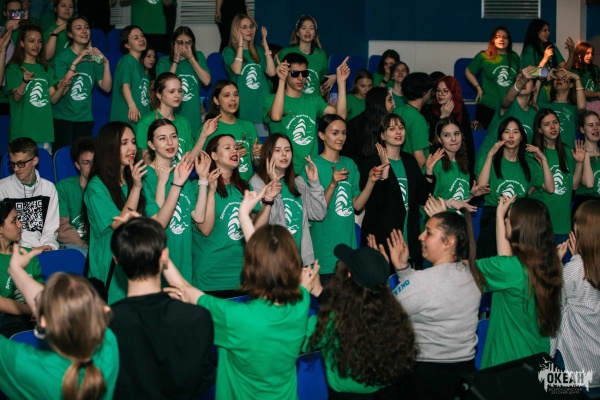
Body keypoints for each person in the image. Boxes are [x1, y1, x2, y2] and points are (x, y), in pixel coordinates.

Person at [162, 188, 314, 400]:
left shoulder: (235, 317)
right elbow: (264, 260)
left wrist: (159, 252)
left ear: (250, 269)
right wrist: (243, 216)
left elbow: (184, 289)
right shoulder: (301, 302)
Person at [369, 206, 485, 399]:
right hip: (463, 373)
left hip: (426, 378)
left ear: (448, 242)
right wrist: (403, 270)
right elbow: (427, 295)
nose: (420, 237)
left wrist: (375, 272)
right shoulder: (471, 274)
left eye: (429, 233)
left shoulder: (424, 282)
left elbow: (383, 314)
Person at [84, 121, 193, 304]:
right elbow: (120, 224)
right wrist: (135, 188)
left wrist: (176, 184)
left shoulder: (134, 178)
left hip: (138, 276)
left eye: (133, 142)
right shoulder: (97, 186)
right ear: (109, 147)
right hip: (111, 279)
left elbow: (158, 224)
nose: (132, 148)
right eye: (124, 143)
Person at [109, 217, 215, 399]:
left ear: (116, 260)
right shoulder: (196, 317)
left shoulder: (106, 323)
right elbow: (203, 381)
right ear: (164, 256)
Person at [0, 252, 118, 399]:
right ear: (102, 310)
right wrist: (16, 271)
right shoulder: (108, 344)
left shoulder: (24, 364)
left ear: (43, 321)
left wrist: (15, 270)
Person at [306, 243, 417, 399]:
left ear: (348, 276)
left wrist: (300, 293)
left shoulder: (333, 320)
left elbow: (294, 338)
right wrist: (319, 292)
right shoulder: (394, 315)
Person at [477, 196, 562, 368]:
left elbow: (461, 268)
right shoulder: (550, 264)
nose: (506, 220)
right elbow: (505, 262)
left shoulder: (510, 269)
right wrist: (499, 216)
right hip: (537, 361)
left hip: (507, 366)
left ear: (519, 227)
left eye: (509, 218)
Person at [191, 134, 273, 295]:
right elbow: (205, 229)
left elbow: (256, 231)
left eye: (235, 148)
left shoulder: (244, 187)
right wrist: (211, 191)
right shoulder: (199, 186)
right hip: (210, 276)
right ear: (214, 155)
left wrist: (268, 200)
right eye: (227, 148)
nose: (234, 151)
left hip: (243, 275)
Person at [304, 114, 382, 283]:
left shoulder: (350, 164)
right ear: (322, 135)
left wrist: (371, 182)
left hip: (348, 251)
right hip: (323, 252)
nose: (341, 137)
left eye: (344, 133)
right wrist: (333, 184)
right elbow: (316, 212)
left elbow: (357, 205)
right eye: (335, 133)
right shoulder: (312, 167)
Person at [142, 119, 217, 282]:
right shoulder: (144, 176)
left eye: (174, 136)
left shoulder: (182, 173)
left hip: (183, 266)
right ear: (151, 145)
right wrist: (162, 183)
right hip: (157, 268)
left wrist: (203, 179)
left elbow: (199, 217)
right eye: (162, 138)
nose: (170, 143)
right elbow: (157, 224)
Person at [360, 113, 436, 266]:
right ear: (382, 135)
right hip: (382, 240)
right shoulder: (371, 164)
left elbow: (422, 198)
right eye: (392, 129)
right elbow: (377, 203)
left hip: (409, 238)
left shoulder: (409, 160)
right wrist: (385, 174)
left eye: (401, 128)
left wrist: (428, 172)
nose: (398, 132)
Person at [475, 117, 554, 258]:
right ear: (500, 136)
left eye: (516, 132)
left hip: (518, 217)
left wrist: (544, 160)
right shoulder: (489, 159)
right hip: (492, 215)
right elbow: (481, 186)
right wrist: (490, 155)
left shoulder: (529, 164)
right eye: (506, 132)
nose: (511, 136)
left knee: (517, 262)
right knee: (488, 261)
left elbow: (550, 188)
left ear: (522, 137)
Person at [265, 52, 350, 173]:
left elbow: (340, 117)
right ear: (286, 72)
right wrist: (282, 80)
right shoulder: (271, 99)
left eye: (304, 73)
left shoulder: (313, 100)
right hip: (283, 169)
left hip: (309, 170)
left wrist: (341, 83)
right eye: (295, 73)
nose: (301, 78)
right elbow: (276, 116)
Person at [249, 133, 326, 266]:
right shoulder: (257, 183)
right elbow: (268, 224)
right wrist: (274, 187)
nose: (284, 154)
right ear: (268, 154)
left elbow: (319, 214)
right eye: (278, 150)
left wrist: (314, 183)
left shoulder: (298, 182)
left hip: (299, 261)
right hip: (273, 261)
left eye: (287, 150)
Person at [554, 201, 600, 394]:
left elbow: (555, 306)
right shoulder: (580, 265)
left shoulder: (574, 268)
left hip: (576, 363)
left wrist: (558, 264)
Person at [5, 23, 73, 149]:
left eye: (40, 41)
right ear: (22, 43)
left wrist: (63, 86)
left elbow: (53, 99)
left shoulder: (46, 68)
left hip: (44, 132)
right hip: (22, 133)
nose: (36, 45)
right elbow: (16, 98)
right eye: (31, 41)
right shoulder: (14, 68)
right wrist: (24, 82)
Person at [52, 15, 112, 150]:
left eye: (86, 27)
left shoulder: (94, 58)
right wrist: (75, 62)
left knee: (84, 158)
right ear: (70, 34)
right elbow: (62, 90)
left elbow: (107, 88)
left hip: (85, 118)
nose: (84, 31)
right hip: (63, 118)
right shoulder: (62, 57)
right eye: (78, 28)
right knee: (63, 156)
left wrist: (106, 63)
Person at [529, 108, 584, 242]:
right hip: (541, 225)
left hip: (563, 225)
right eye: (547, 124)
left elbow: (573, 185)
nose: (553, 127)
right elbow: (540, 189)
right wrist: (543, 161)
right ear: (539, 129)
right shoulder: (533, 154)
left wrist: (579, 163)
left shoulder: (566, 151)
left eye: (555, 122)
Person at [0, 137, 59, 251]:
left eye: (21, 163)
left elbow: (51, 230)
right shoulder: (2, 189)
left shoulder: (49, 188)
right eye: (13, 164)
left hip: (44, 249)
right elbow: (3, 235)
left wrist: (48, 246)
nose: (16, 169)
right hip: (14, 252)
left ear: (34, 161)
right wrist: (28, 250)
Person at [135, 72, 206, 165]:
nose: (177, 95)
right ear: (159, 94)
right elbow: (146, 160)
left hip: (181, 173)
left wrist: (204, 134)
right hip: (157, 173)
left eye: (180, 91)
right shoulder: (146, 122)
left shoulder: (184, 122)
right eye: (172, 91)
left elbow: (189, 159)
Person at [475, 66, 538, 163]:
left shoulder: (534, 114)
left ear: (534, 88)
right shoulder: (506, 103)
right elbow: (508, 99)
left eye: (527, 80)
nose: (523, 82)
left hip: (514, 164)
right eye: (519, 79)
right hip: (490, 159)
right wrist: (522, 81)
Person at [156, 26, 211, 136]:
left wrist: (191, 58)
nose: (184, 46)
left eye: (188, 42)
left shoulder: (199, 57)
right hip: (171, 117)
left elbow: (206, 81)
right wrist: (175, 62)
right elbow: (163, 86)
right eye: (180, 42)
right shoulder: (164, 61)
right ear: (174, 43)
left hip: (193, 116)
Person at [223, 13, 275, 128]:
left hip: (261, 108)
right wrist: (240, 46)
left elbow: (272, 72)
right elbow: (237, 70)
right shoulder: (229, 51)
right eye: (244, 27)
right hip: (243, 109)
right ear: (235, 31)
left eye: (251, 26)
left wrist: (265, 47)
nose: (249, 30)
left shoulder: (259, 50)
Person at [0, 199, 42, 338]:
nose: (20, 225)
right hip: (8, 317)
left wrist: (40, 308)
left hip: (34, 314)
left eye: (19, 219)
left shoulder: (27, 254)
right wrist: (31, 309)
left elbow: (40, 290)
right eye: (14, 221)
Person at [203, 80, 260, 182]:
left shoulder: (248, 126)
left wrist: (258, 155)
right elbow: (203, 164)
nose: (233, 99)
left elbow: (256, 163)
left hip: (247, 186)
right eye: (227, 95)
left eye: (236, 95)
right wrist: (232, 154)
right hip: (220, 186)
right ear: (216, 100)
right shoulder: (209, 127)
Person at [428, 118, 489, 212]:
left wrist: (471, 194)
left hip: (459, 220)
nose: (453, 139)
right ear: (439, 139)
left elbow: (459, 201)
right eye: (447, 135)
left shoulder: (463, 162)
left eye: (456, 134)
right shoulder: (435, 164)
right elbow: (424, 202)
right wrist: (450, 203)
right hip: (440, 220)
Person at [465, 26, 520, 129]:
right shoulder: (483, 56)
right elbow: (468, 71)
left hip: (510, 106)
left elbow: (520, 77)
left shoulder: (514, 57)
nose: (501, 39)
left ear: (509, 41)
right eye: (498, 37)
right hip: (487, 105)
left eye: (505, 37)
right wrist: (478, 87)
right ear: (492, 40)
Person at [422, 76, 475, 173]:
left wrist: (471, 173)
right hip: (437, 162)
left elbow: (468, 143)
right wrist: (442, 118)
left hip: (459, 160)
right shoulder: (428, 110)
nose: (440, 94)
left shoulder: (461, 110)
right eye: (438, 90)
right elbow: (432, 141)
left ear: (453, 93)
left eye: (445, 91)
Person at [276, 15, 333, 96]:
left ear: (315, 33)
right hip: (292, 100)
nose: (308, 31)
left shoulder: (321, 55)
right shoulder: (285, 53)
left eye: (311, 28)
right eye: (304, 28)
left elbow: (323, 79)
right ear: (297, 33)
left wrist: (335, 77)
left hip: (314, 101)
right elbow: (274, 77)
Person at [56, 136, 94, 255]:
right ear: (77, 165)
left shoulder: (107, 187)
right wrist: (86, 247)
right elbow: (62, 228)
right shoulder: (63, 188)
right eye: (86, 162)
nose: (92, 167)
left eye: (95, 162)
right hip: (74, 244)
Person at [341, 86, 394, 168]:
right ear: (380, 102)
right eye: (390, 100)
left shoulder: (389, 122)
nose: (393, 104)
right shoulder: (355, 126)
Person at [110, 25, 150, 130]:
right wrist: (132, 106)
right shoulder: (127, 61)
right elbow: (125, 86)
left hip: (141, 120)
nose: (141, 39)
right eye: (136, 38)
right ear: (127, 45)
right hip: (128, 121)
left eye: (142, 36)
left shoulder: (141, 66)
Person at [536, 68, 586, 146]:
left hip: (568, 151)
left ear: (571, 84)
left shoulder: (573, 109)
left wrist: (577, 78)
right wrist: (541, 77)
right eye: (556, 77)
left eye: (563, 77)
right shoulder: (545, 106)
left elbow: (582, 108)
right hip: (548, 151)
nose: (559, 79)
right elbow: (532, 103)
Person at [395, 72, 433, 168]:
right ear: (424, 92)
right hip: (413, 171)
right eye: (430, 91)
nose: (431, 94)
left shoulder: (396, 111)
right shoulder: (418, 119)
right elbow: (419, 157)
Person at [574, 111, 600, 215]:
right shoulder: (577, 155)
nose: (596, 128)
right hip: (586, 209)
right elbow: (589, 183)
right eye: (591, 125)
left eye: (598, 124)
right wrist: (587, 156)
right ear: (582, 129)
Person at [568, 42, 600, 114]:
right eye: (587, 53)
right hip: (581, 106)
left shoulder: (595, 69)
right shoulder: (574, 71)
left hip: (597, 105)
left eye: (591, 53)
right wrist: (597, 94)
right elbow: (579, 92)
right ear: (579, 55)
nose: (590, 56)